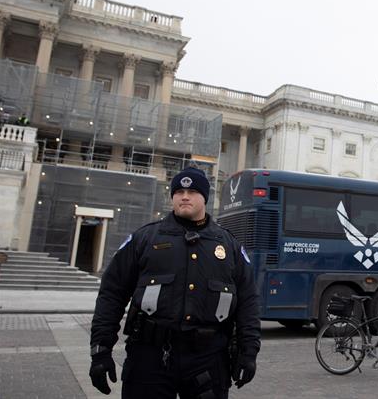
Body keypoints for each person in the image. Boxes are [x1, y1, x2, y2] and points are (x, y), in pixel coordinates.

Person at [89, 167, 261, 397]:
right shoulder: (145, 239)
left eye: (192, 191)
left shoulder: (229, 246)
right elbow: (112, 293)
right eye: (179, 191)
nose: (185, 196)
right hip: (149, 359)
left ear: (205, 198)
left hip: (208, 359)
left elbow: (248, 301)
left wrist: (248, 351)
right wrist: (101, 350)